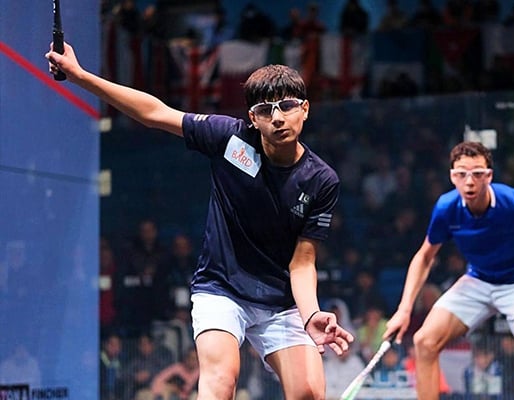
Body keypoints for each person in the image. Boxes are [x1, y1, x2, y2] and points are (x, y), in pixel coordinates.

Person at [46, 42, 354, 400]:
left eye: (287, 106)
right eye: (266, 110)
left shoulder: (321, 180)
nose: (278, 118)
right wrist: (81, 76)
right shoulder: (229, 138)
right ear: (253, 118)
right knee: (221, 382)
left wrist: (312, 312)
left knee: (310, 395)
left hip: (281, 300)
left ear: (305, 110)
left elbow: (302, 263)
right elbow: (154, 113)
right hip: (221, 288)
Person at [383, 141, 514, 400]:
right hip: (479, 279)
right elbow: (424, 257)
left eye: (477, 173)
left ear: (489, 176)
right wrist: (404, 309)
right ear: (452, 177)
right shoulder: (446, 208)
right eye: (461, 174)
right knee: (424, 342)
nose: (469, 182)